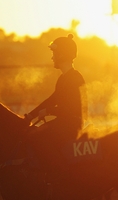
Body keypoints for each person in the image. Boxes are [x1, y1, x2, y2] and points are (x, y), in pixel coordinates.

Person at [24, 34, 87, 177]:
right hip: (64, 124)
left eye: (55, 53)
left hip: (72, 126)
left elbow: (71, 109)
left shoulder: (74, 78)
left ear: (63, 54)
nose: (52, 57)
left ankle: (59, 175)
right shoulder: (64, 78)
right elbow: (52, 99)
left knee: (37, 138)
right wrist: (30, 116)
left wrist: (48, 111)